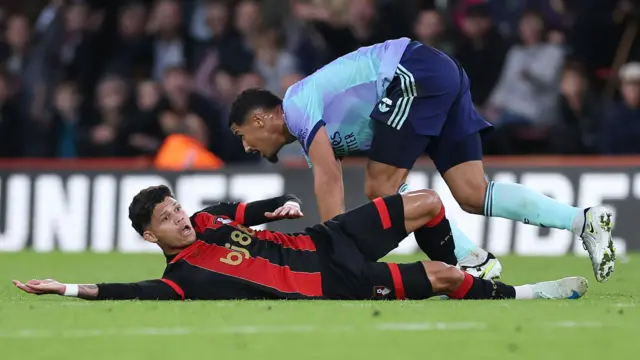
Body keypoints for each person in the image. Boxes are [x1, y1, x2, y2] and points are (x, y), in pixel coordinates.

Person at [227, 37, 615, 283]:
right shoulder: (312, 129)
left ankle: (471, 261)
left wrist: (333, 259)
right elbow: (332, 181)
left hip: (411, 72)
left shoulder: (296, 104)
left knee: (381, 185)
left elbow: (329, 179)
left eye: (243, 136)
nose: (246, 148)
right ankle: (584, 221)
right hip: (438, 74)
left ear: (260, 119)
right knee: (472, 193)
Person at [13, 185, 587, 301]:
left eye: (177, 208)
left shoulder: (209, 221)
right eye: (168, 218)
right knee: (438, 281)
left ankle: (470, 262)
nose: (182, 219)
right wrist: (63, 287)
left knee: (428, 203)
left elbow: (249, 210)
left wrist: (277, 209)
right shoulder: (178, 282)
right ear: (150, 235)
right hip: (333, 283)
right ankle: (527, 295)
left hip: (324, 240)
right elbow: (124, 290)